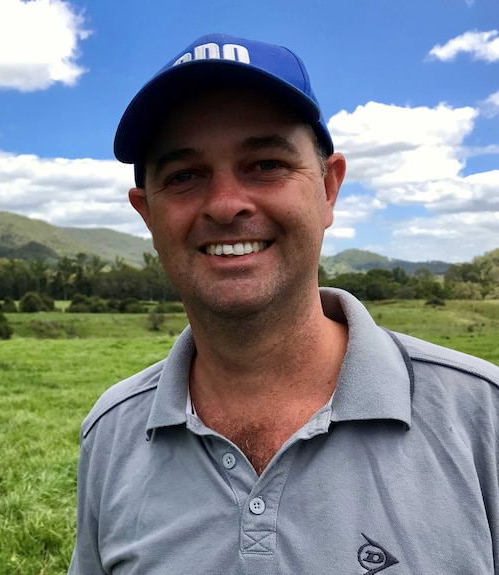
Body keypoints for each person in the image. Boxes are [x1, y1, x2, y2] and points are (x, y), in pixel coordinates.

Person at [69, 32, 499, 574]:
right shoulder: (110, 433)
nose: (226, 205)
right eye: (184, 176)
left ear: (329, 188)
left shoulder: (483, 417)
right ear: (147, 214)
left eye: (266, 164)